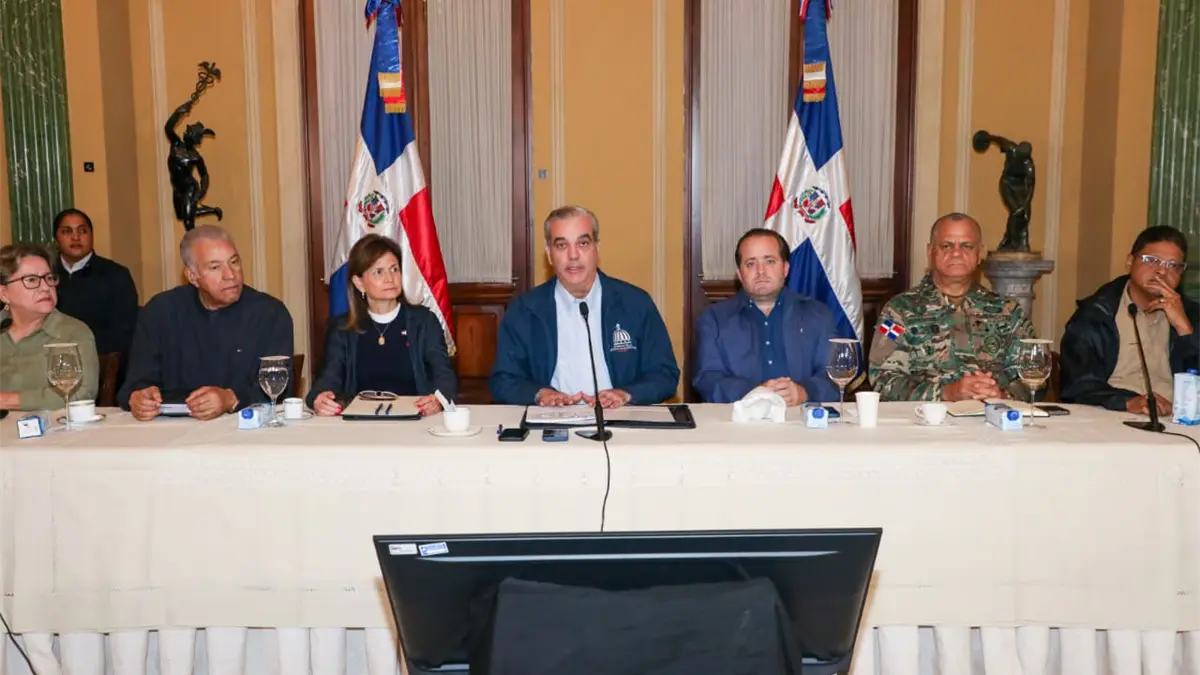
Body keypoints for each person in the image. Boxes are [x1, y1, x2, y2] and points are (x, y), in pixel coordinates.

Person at [490, 205, 680, 407]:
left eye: (582, 243)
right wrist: (540, 394)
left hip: (621, 420)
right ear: (549, 254)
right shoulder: (524, 310)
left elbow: (665, 374)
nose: (573, 255)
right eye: (562, 246)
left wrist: (627, 394)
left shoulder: (636, 303)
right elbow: (503, 379)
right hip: (551, 423)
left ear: (597, 248)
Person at [118, 225, 294, 421]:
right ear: (192, 276)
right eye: (215, 267)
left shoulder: (270, 313)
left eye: (234, 262)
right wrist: (138, 397)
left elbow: (281, 389)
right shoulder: (161, 311)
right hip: (172, 432)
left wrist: (230, 398)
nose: (230, 275)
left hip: (244, 431)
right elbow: (135, 384)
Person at [869, 212, 1036, 401]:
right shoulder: (898, 311)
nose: (956, 253)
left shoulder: (1008, 311)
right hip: (925, 422)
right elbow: (882, 379)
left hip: (993, 420)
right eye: (946, 246)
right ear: (930, 252)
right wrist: (946, 393)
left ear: (979, 253)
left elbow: (1034, 374)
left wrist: (1003, 395)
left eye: (966, 246)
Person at [307, 234, 456, 416]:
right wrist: (320, 398)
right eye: (379, 272)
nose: (390, 278)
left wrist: (438, 399)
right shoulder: (342, 328)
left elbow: (444, 375)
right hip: (359, 425)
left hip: (415, 421)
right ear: (359, 283)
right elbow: (327, 380)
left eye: (394, 269)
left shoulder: (424, 321)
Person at [1060, 225, 1200, 415]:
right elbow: (1077, 385)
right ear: (1129, 262)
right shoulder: (1095, 314)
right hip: (1114, 418)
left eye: (1173, 265)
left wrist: (1184, 328)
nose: (1162, 271)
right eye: (1152, 260)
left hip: (1179, 422)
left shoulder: (1191, 316)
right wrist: (1126, 402)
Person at [692, 228, 838, 404]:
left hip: (804, 421)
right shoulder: (714, 319)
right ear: (740, 274)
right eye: (751, 264)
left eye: (770, 261)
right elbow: (707, 379)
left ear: (785, 268)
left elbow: (834, 376)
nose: (761, 271)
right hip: (739, 422)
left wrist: (803, 392)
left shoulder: (819, 315)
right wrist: (756, 393)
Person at [0, 244, 99, 411]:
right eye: (31, 280)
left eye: (49, 278)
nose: (46, 287)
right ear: (4, 294)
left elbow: (81, 394)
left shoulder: (72, 333)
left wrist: (7, 401)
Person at [51, 208, 140, 385]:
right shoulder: (45, 276)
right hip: (49, 364)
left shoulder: (116, 275)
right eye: (67, 231)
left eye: (82, 231)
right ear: (56, 238)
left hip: (102, 369)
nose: (75, 238)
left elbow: (124, 334)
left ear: (91, 235)